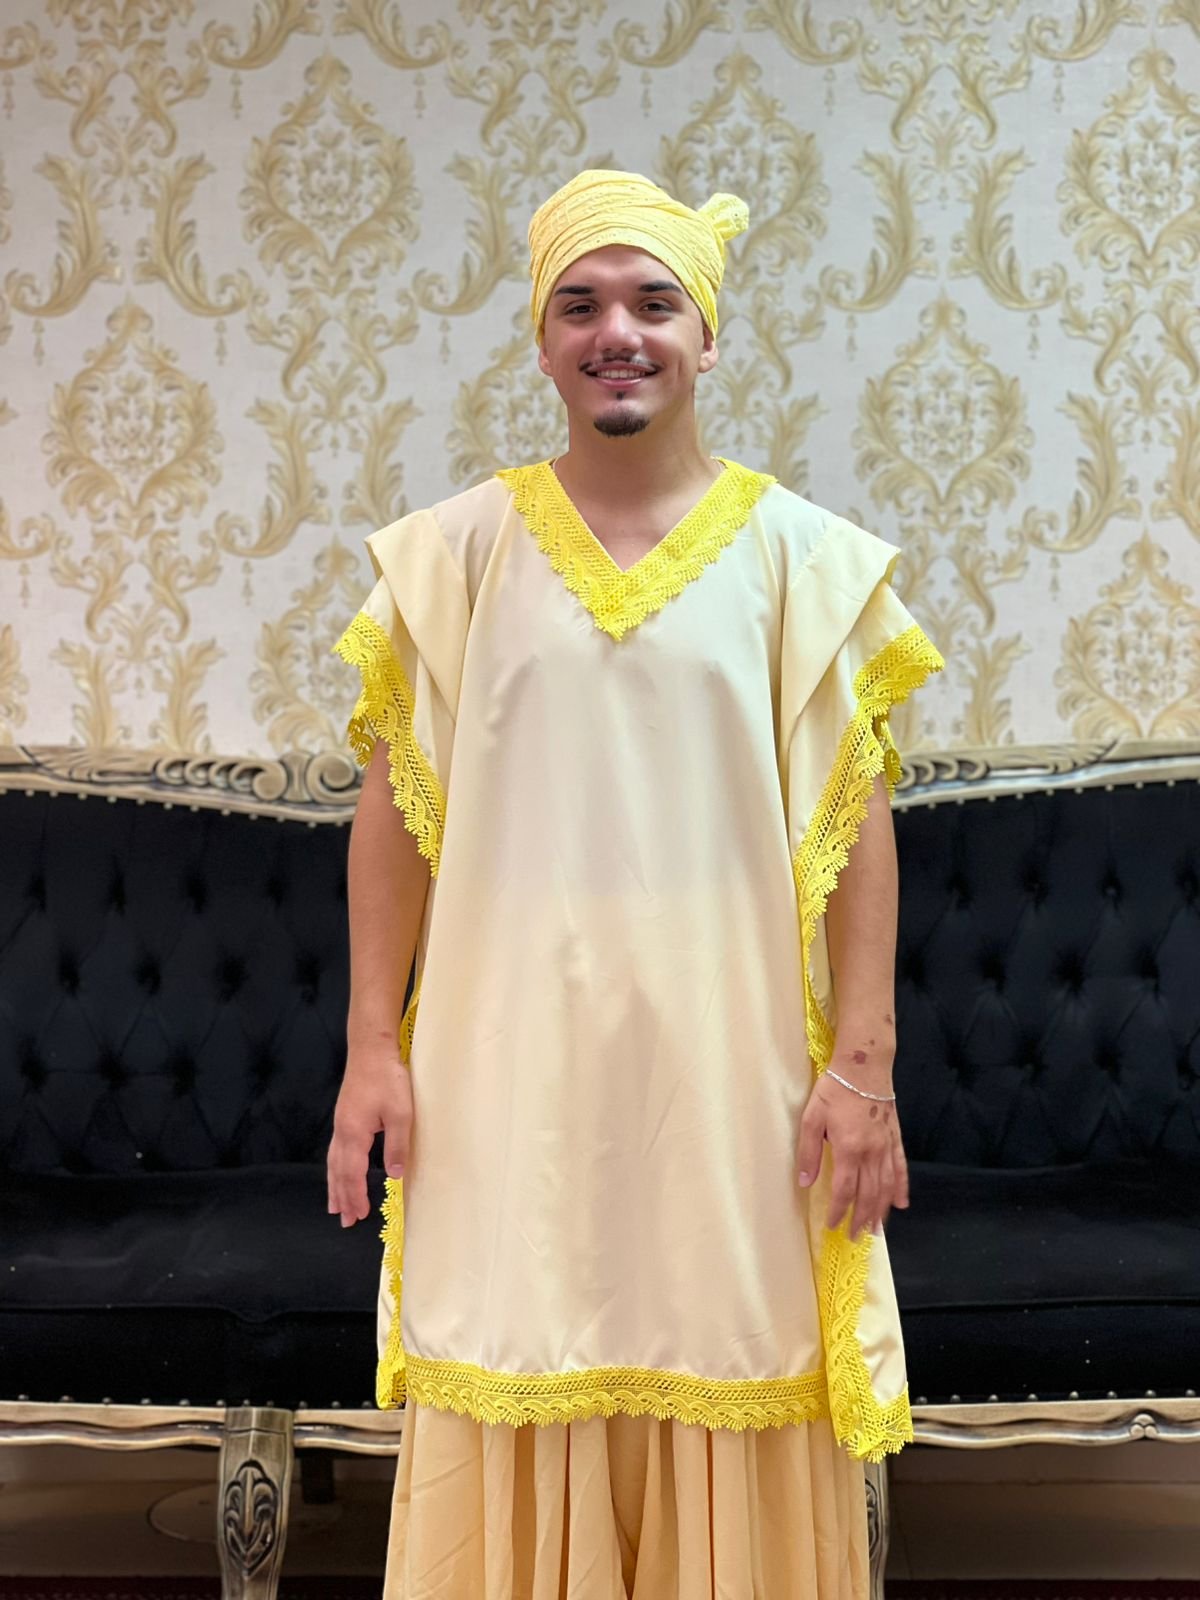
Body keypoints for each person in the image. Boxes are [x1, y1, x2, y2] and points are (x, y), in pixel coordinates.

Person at [326, 168, 943, 1599]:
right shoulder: (457, 558)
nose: (620, 332)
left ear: (706, 339)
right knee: (513, 1348)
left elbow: (856, 820)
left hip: (728, 1091)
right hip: (507, 1084)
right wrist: (371, 1048)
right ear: (542, 344)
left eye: (655, 303)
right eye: (582, 305)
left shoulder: (799, 560)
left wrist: (862, 1069)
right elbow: (395, 818)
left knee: (732, 1355)